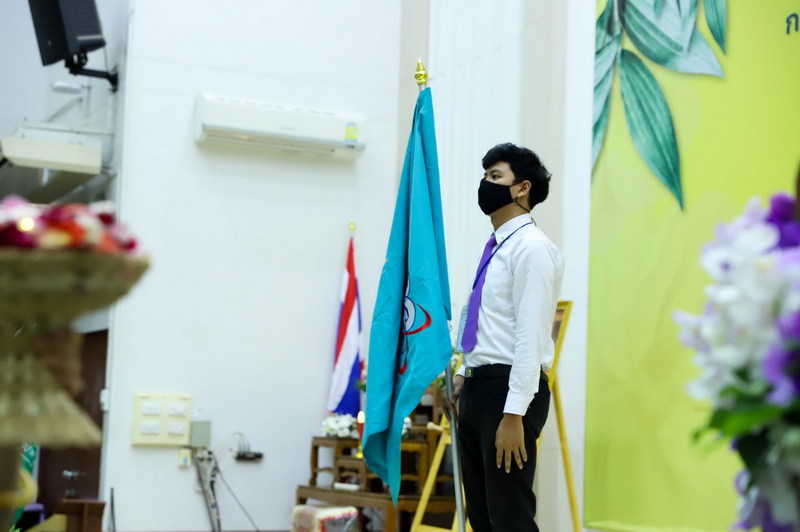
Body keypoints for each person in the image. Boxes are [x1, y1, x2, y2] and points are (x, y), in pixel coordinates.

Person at [445, 142, 564, 531]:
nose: (485, 183)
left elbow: (530, 336)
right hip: (479, 388)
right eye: (485, 175)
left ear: (522, 188)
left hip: (509, 393)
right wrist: (463, 374)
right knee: (481, 518)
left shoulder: (532, 249)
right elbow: (488, 323)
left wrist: (514, 414)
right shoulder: (497, 248)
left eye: (495, 176)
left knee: (509, 518)